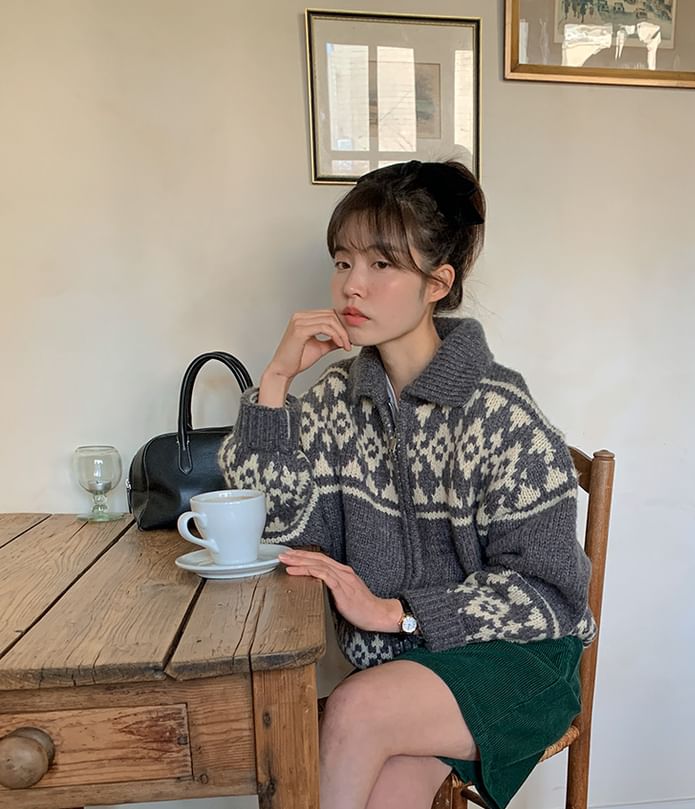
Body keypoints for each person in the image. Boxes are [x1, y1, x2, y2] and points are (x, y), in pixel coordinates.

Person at [218, 159, 596, 809]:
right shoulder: (335, 401)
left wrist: (396, 611)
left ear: (436, 284)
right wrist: (275, 383)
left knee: (355, 711)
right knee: (377, 786)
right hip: (406, 670)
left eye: (382, 264)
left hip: (518, 663)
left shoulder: (498, 413)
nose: (352, 285)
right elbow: (280, 534)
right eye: (343, 261)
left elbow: (553, 596)